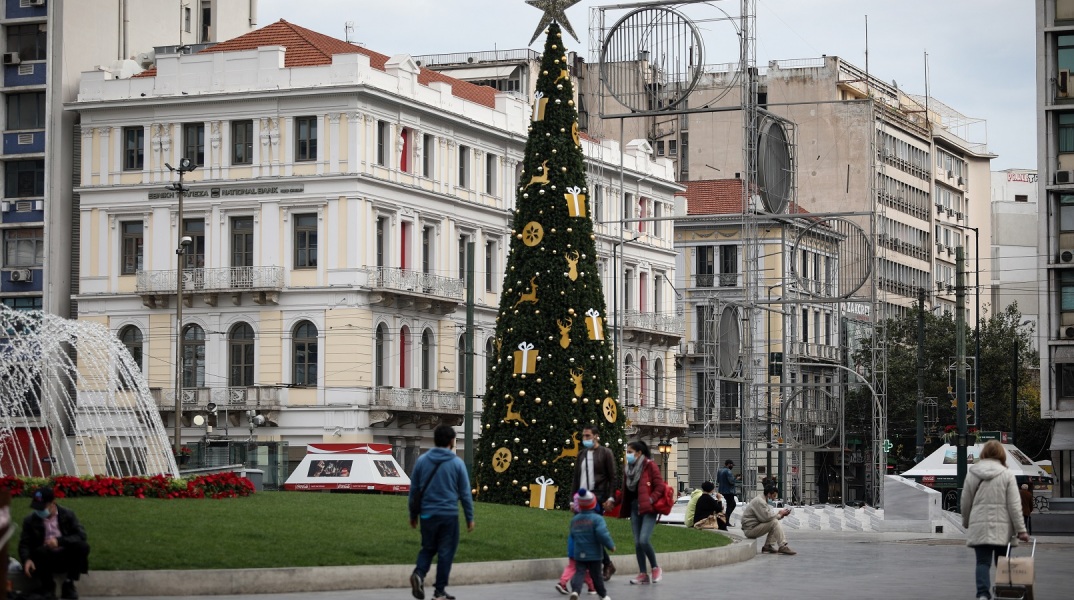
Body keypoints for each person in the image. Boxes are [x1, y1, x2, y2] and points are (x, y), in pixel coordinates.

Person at [408, 424, 475, 600]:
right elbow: (465, 494)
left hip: (427, 515)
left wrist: (412, 515)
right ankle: (439, 592)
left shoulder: (422, 461)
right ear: (452, 441)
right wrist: (470, 518)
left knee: (428, 548)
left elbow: (414, 491)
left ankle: (419, 574)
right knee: (446, 552)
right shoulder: (457, 463)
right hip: (448, 515)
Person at [961, 439, 1030, 600]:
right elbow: (1014, 505)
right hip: (1003, 527)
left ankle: (983, 595)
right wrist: (1021, 530)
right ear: (1001, 454)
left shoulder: (973, 472)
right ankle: (1004, 592)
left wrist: (966, 521)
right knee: (1003, 563)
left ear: (983, 454)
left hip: (979, 525)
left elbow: (965, 501)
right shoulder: (1007, 475)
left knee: (982, 563)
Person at [604, 440, 665, 585]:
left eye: (630, 452)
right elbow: (626, 492)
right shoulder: (628, 469)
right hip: (634, 508)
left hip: (649, 509)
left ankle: (655, 568)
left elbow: (660, 487)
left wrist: (651, 499)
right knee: (637, 543)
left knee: (644, 540)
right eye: (627, 452)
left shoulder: (650, 466)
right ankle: (643, 574)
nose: (628, 455)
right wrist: (613, 502)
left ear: (639, 453)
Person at [18, 486, 90, 600]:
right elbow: (24, 543)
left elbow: (81, 535)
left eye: (43, 507)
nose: (39, 511)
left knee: (82, 546)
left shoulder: (67, 514)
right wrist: (26, 559)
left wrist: (59, 541)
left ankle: (69, 583)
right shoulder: (30, 520)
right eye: (37, 508)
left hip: (64, 554)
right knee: (39, 552)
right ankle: (47, 587)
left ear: (53, 503)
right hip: (44, 557)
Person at [570, 424, 618, 580]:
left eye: (588, 436)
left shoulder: (605, 453)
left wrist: (610, 497)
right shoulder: (581, 455)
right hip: (580, 499)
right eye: (583, 436)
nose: (585, 439)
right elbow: (576, 479)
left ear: (596, 436)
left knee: (593, 532)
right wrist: (572, 500)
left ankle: (604, 565)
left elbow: (612, 477)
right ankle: (601, 565)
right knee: (581, 532)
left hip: (597, 497)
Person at [566, 489, 615, 600]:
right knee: (596, 575)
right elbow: (603, 534)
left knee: (579, 572)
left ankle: (575, 591)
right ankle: (602, 595)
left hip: (579, 552)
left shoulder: (575, 520)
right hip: (594, 554)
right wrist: (610, 545)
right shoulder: (597, 519)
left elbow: (573, 534)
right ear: (593, 504)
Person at [556, 491, 597, 596]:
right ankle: (563, 582)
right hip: (582, 549)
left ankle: (591, 587)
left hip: (572, 548)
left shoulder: (575, 520)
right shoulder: (589, 520)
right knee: (581, 568)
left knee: (578, 568)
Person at [740, 483, 797, 555]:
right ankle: (782, 546)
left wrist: (780, 514)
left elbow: (768, 517)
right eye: (774, 496)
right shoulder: (760, 501)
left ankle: (768, 546)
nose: (774, 498)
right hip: (750, 530)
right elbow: (766, 518)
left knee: (774, 522)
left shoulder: (762, 500)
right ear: (769, 494)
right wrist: (780, 514)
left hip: (752, 527)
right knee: (774, 523)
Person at [717, 459, 738, 526]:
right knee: (731, 505)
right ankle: (726, 520)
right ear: (729, 464)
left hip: (722, 490)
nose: (732, 466)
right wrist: (736, 478)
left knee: (732, 504)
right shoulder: (728, 471)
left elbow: (718, 481)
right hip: (729, 491)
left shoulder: (720, 470)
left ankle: (725, 518)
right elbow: (731, 481)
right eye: (732, 465)